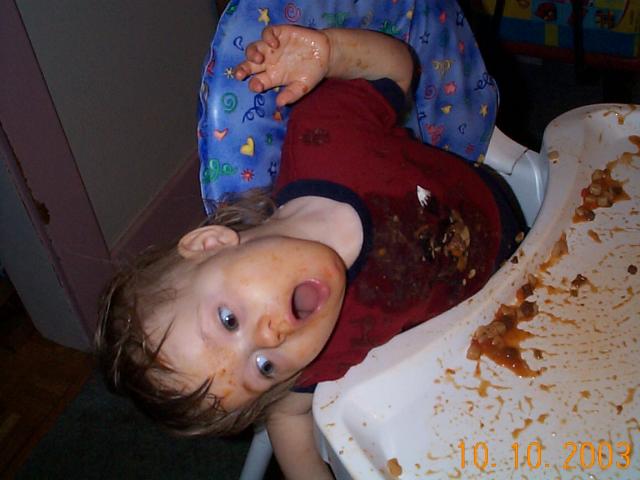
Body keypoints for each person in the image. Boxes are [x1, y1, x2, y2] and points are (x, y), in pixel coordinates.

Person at [96, 25, 524, 478]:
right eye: (263, 368)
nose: (270, 340)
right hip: (494, 325)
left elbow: (396, 71)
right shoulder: (314, 360)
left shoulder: (324, 136)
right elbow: (289, 425)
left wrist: (332, 52)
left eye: (229, 320)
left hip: (502, 212)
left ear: (211, 245)